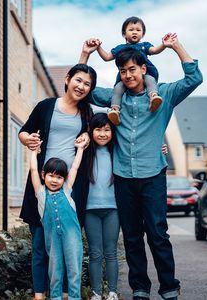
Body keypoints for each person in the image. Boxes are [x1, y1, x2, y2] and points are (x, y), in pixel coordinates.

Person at [79, 36, 203, 300]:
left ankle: (169, 287)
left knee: (158, 233)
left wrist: (175, 46)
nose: (127, 75)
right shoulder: (115, 99)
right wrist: (85, 55)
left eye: (132, 69)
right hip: (123, 176)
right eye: (122, 71)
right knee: (133, 236)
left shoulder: (165, 95)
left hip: (153, 175)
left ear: (143, 69)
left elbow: (195, 79)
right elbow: (82, 88)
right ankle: (140, 287)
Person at [18, 64, 96, 300]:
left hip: (70, 188)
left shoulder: (87, 114)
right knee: (41, 246)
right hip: (42, 183)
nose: (81, 86)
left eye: (87, 84)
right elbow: (23, 131)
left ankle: (64, 294)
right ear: (68, 78)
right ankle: (40, 294)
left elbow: (101, 134)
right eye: (78, 80)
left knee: (67, 245)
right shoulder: (46, 106)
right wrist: (28, 139)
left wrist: (89, 135)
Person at [29, 137, 88, 300]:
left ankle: (75, 297)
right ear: (44, 175)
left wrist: (80, 149)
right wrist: (33, 153)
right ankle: (55, 297)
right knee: (55, 270)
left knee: (74, 269)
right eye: (51, 176)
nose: (55, 180)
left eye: (59, 177)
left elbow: (75, 167)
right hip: (53, 240)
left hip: (72, 238)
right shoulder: (40, 194)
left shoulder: (67, 190)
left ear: (64, 179)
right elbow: (33, 170)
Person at [93, 16, 176, 125]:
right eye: (131, 30)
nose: (135, 32)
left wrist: (164, 45)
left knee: (150, 80)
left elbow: (155, 50)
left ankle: (153, 98)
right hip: (126, 77)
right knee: (118, 89)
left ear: (143, 33)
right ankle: (115, 110)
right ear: (124, 33)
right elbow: (107, 57)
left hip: (144, 74)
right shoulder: (120, 48)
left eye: (138, 30)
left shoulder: (144, 46)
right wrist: (98, 47)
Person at [84, 113, 119, 300]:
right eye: (98, 129)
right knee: (95, 253)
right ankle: (96, 293)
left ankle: (112, 292)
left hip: (112, 209)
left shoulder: (117, 152)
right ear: (91, 131)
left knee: (111, 252)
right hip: (91, 210)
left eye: (107, 130)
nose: (103, 134)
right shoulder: (85, 152)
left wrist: (160, 149)